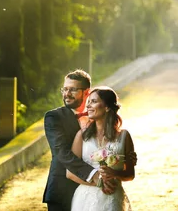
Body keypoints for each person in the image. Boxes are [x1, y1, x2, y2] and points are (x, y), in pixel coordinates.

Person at [42, 70, 114, 211]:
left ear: (86, 92)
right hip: (62, 189)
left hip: (94, 195)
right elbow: (61, 153)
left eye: (73, 89)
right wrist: (93, 175)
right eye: (65, 89)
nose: (67, 94)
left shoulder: (98, 114)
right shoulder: (53, 117)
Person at [67, 86, 135, 211]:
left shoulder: (124, 136)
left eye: (93, 101)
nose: (88, 106)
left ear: (107, 107)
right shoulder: (82, 136)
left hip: (113, 197)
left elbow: (130, 175)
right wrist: (98, 182)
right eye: (88, 102)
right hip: (85, 199)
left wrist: (114, 173)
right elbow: (70, 173)